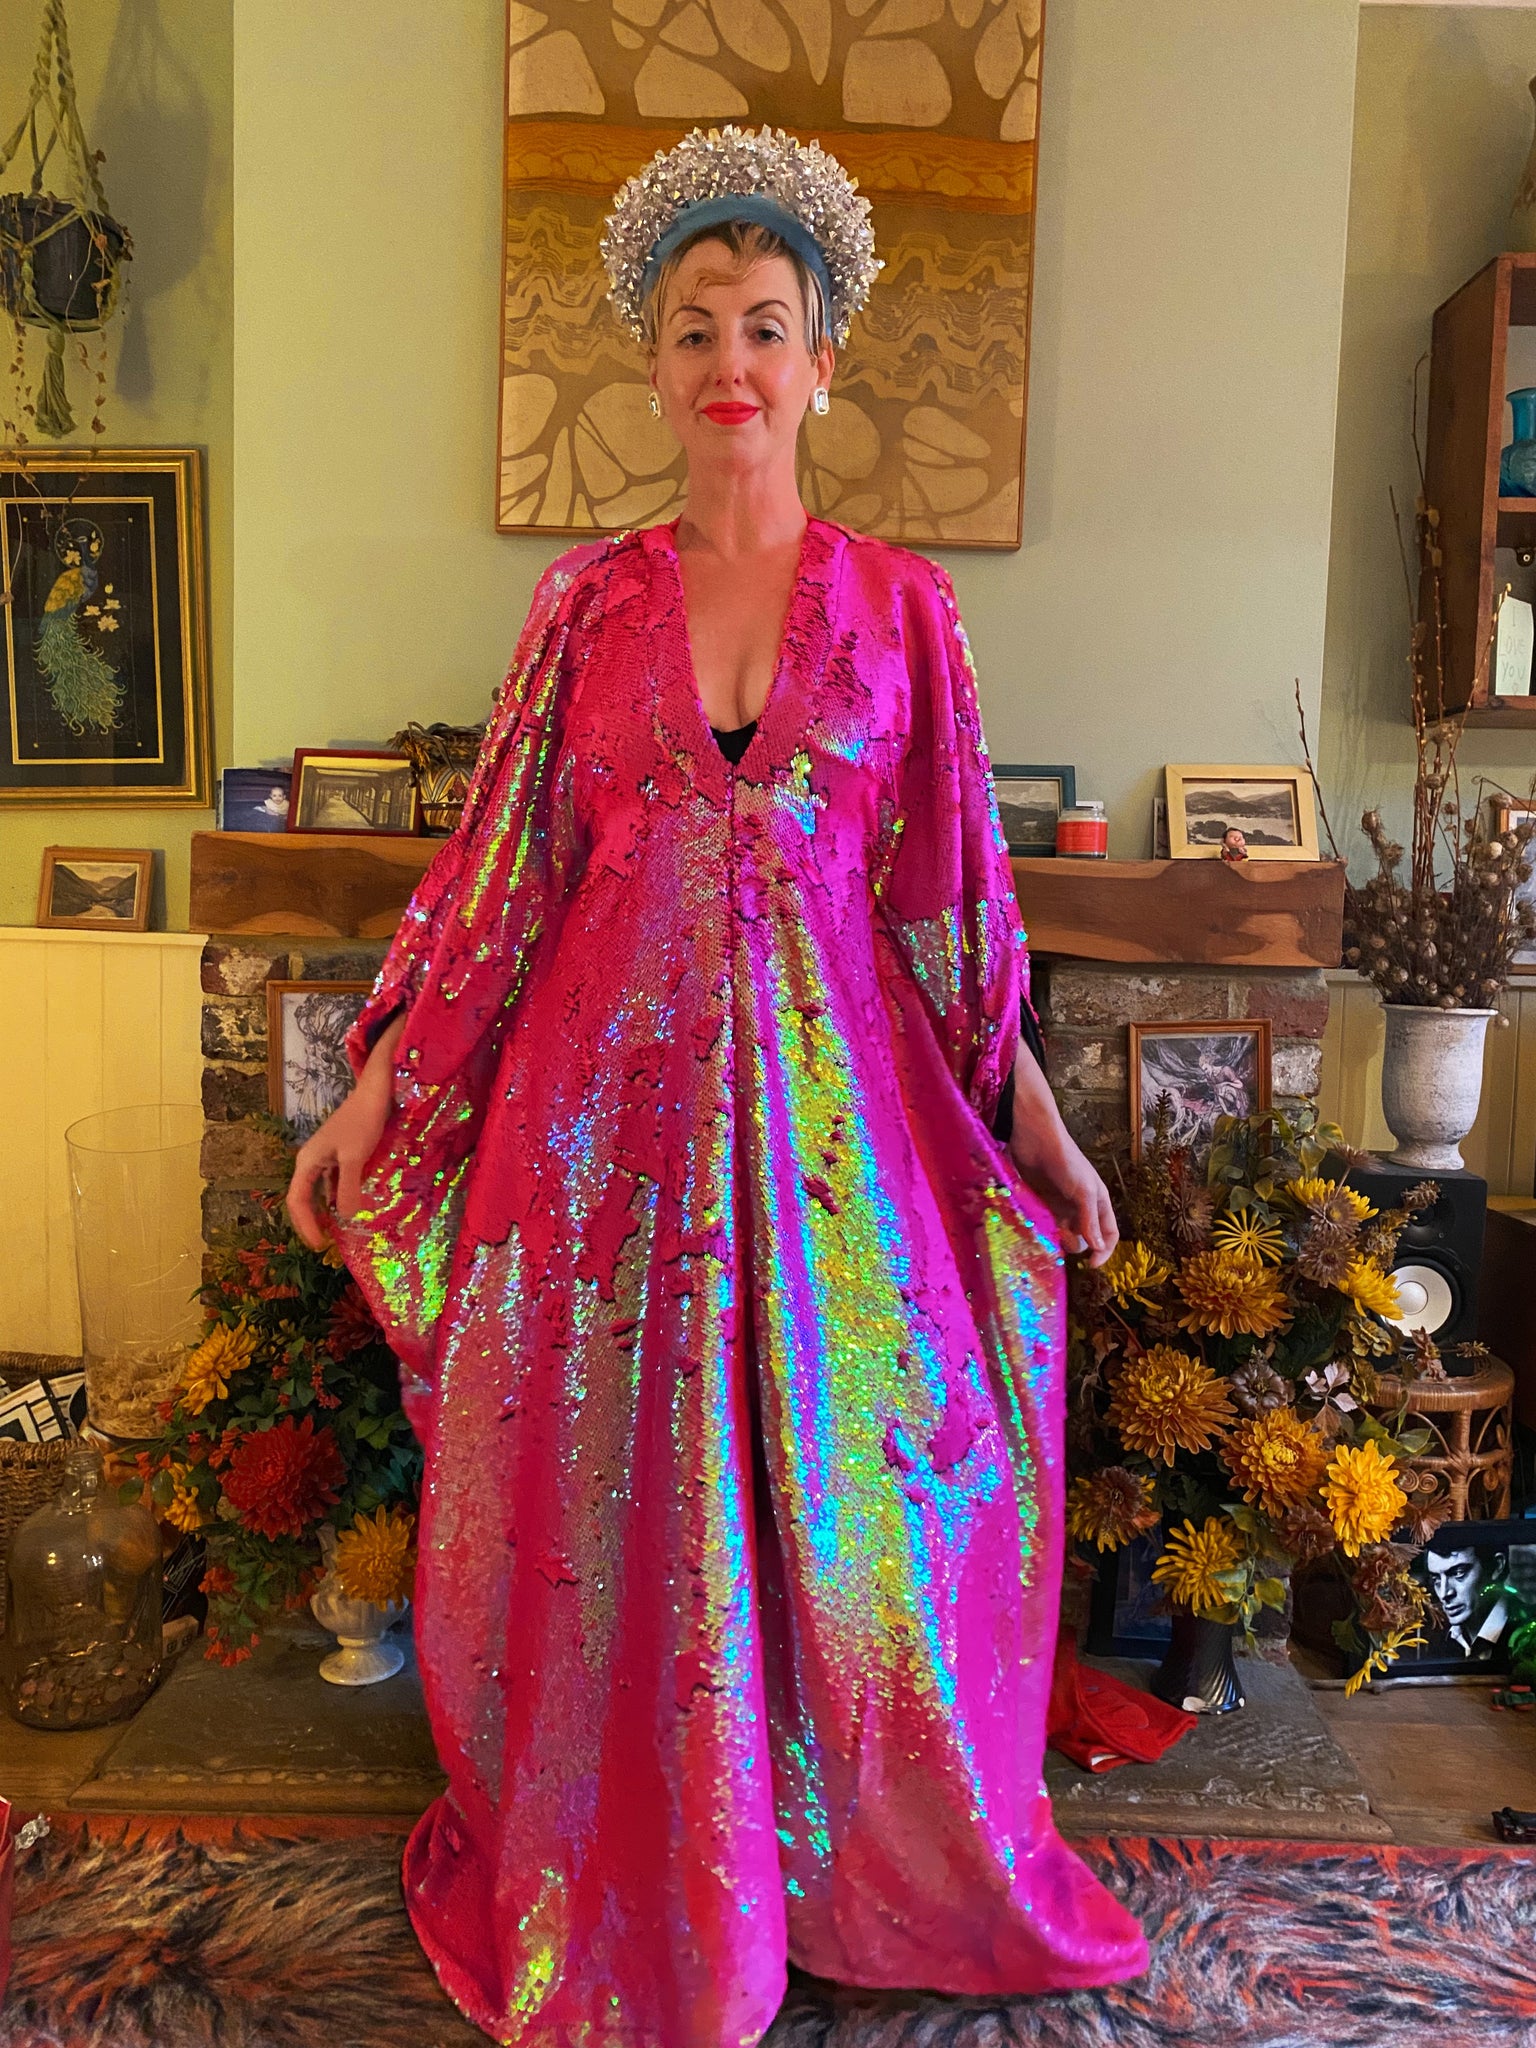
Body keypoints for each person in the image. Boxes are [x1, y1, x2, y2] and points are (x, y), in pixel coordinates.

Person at [287, 125, 1148, 2048]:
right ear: (654, 366)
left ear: (823, 362)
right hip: (600, 1150)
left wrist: (1038, 1126)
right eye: (694, 329)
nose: (730, 361)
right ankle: (649, 1881)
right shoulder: (580, 609)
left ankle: (841, 1864)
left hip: (837, 1158)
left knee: (862, 1502)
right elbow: (500, 886)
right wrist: (375, 1092)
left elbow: (950, 909)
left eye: (765, 325)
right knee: (616, 1510)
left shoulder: (905, 613)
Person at [1425, 1543, 1510, 1661]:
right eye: (1436, 1579)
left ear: (1497, 1566)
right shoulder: (1437, 1643)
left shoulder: (1528, 1633)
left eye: (1458, 1573)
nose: (1444, 1594)